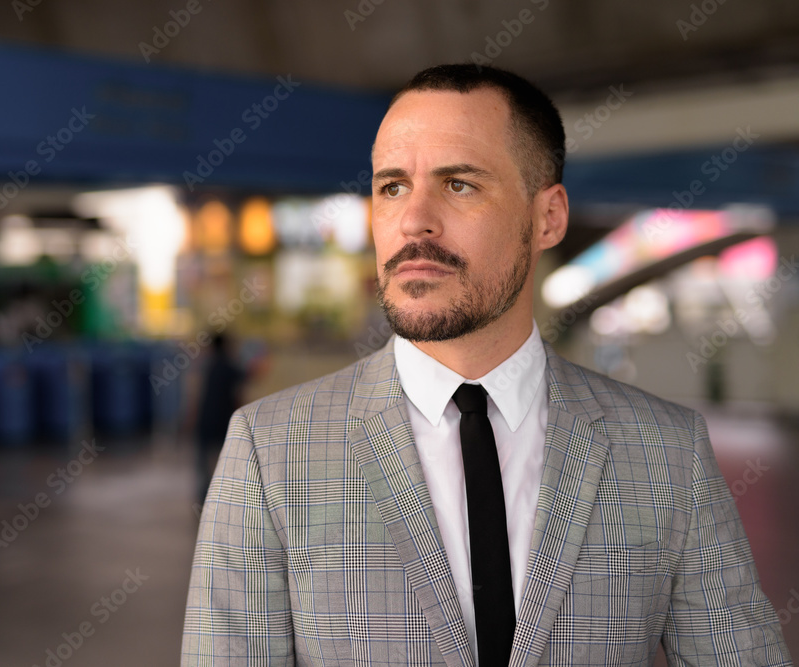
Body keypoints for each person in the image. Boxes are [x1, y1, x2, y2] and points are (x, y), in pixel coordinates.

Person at [181, 64, 792, 666]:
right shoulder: (270, 449)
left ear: (547, 217)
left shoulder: (666, 453)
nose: (413, 218)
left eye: (459, 184)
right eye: (391, 186)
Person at [193, 332, 247, 506]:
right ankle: (221, 499)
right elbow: (246, 378)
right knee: (227, 461)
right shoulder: (228, 366)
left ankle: (204, 501)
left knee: (203, 464)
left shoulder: (209, 366)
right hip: (222, 422)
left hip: (206, 421)